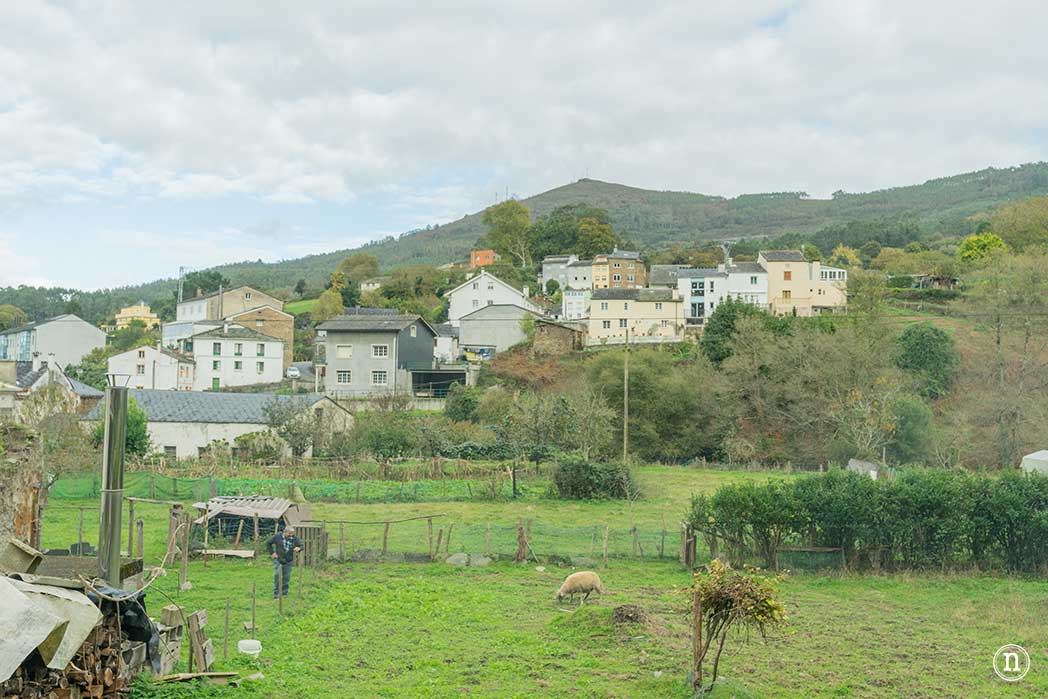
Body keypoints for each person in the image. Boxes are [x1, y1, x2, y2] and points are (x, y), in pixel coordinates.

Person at [267, 525, 303, 599]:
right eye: (289, 534)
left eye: (292, 534)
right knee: (277, 575)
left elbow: (302, 545)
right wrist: (272, 553)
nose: (291, 535)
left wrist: (299, 548)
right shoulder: (277, 536)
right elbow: (268, 543)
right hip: (278, 560)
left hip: (288, 561)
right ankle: (276, 594)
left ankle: (284, 593)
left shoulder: (294, 538)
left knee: (286, 577)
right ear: (285, 532)